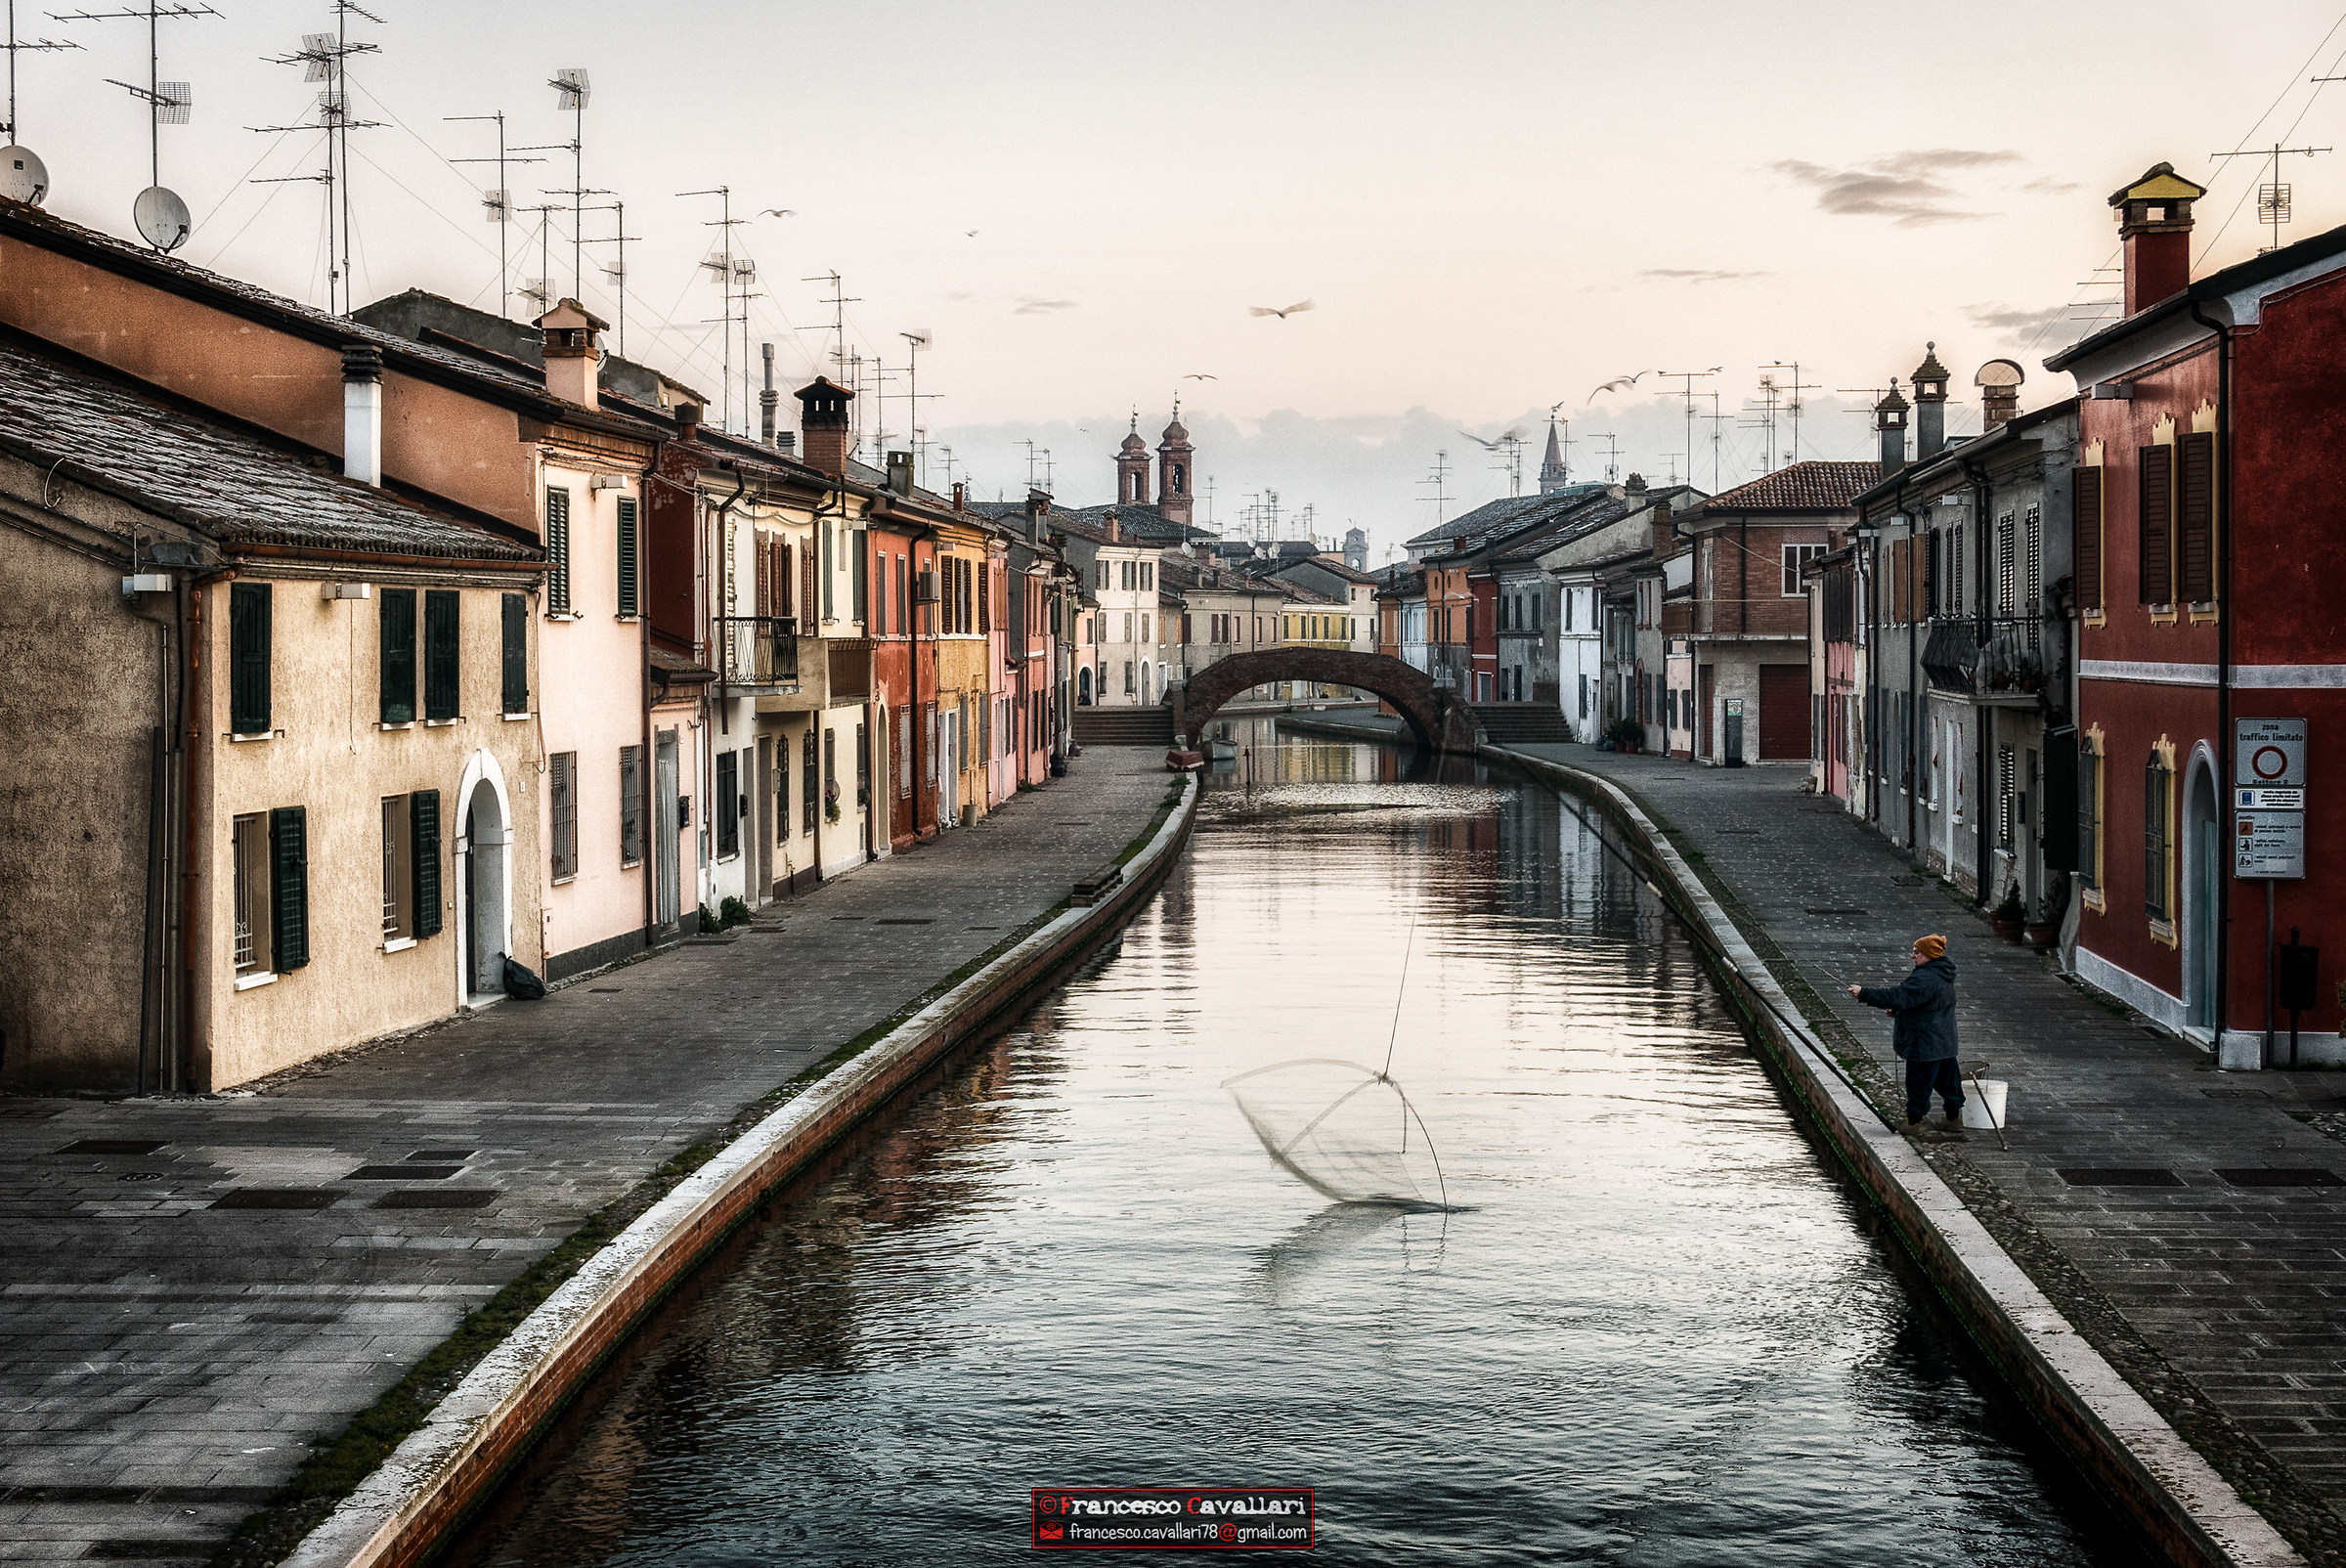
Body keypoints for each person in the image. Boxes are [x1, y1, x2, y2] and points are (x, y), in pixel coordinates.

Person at [1847, 935, 1962, 1132]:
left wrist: (1863, 993)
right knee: (1949, 1083)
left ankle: (1913, 1123)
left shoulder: (1926, 977)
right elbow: (1925, 1003)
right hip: (1945, 1041)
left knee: (1919, 1084)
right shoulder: (1942, 973)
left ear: (1929, 954)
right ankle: (1953, 1119)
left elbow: (1898, 996)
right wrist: (1901, 1012)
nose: (1912, 956)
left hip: (1925, 1042)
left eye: (1917, 952)